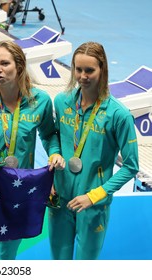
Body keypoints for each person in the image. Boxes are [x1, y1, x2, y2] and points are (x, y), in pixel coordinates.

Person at [0, 40, 65, 260]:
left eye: (4, 63)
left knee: (7, 255)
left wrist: (54, 153)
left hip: (19, 188)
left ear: (19, 66)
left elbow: (49, 135)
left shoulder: (40, 101)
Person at [48, 42, 139, 259]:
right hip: (59, 198)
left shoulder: (118, 114)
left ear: (103, 70)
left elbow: (131, 166)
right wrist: (54, 154)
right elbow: (54, 138)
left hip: (92, 204)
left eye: (89, 70)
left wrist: (95, 196)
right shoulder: (62, 102)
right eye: (78, 69)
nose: (82, 76)